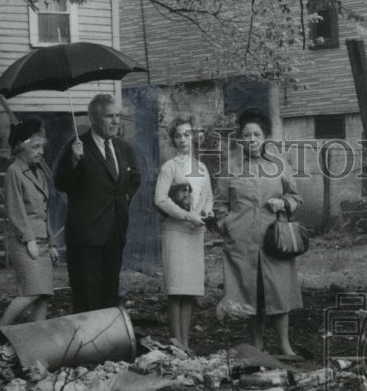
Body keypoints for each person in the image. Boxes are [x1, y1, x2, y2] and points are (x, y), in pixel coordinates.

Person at [214, 107, 302, 358]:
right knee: (247, 292)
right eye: (247, 135)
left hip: (274, 240)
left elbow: (295, 196)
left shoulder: (279, 164)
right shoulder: (229, 165)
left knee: (279, 291)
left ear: (265, 137)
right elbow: (219, 202)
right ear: (240, 138)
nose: (252, 140)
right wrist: (225, 224)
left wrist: (283, 203)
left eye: (257, 135)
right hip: (241, 241)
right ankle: (257, 344)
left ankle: (284, 345)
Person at [54, 93, 141, 313]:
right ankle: (87, 345)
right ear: (94, 119)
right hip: (86, 237)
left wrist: (124, 199)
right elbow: (61, 183)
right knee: (87, 298)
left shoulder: (124, 148)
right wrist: (74, 161)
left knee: (110, 294)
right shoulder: (76, 146)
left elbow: (135, 178)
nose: (116, 121)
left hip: (115, 232)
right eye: (109, 116)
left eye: (118, 116)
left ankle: (108, 343)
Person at [154, 117, 213, 354]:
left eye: (187, 134)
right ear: (173, 139)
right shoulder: (169, 167)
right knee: (176, 291)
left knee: (188, 291)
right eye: (178, 135)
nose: (182, 139)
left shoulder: (201, 167)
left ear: (195, 137)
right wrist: (186, 216)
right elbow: (159, 199)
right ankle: (175, 342)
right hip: (176, 232)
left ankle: (186, 343)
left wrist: (206, 212)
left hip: (195, 233)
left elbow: (208, 196)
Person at [0, 118, 58, 327]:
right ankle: (0, 331)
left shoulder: (40, 173)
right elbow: (15, 210)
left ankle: (36, 339)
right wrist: (30, 239)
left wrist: (51, 243)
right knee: (31, 293)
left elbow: (45, 210)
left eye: (42, 147)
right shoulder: (14, 172)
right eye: (35, 147)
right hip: (24, 243)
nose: (41, 151)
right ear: (20, 146)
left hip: (42, 242)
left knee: (43, 296)